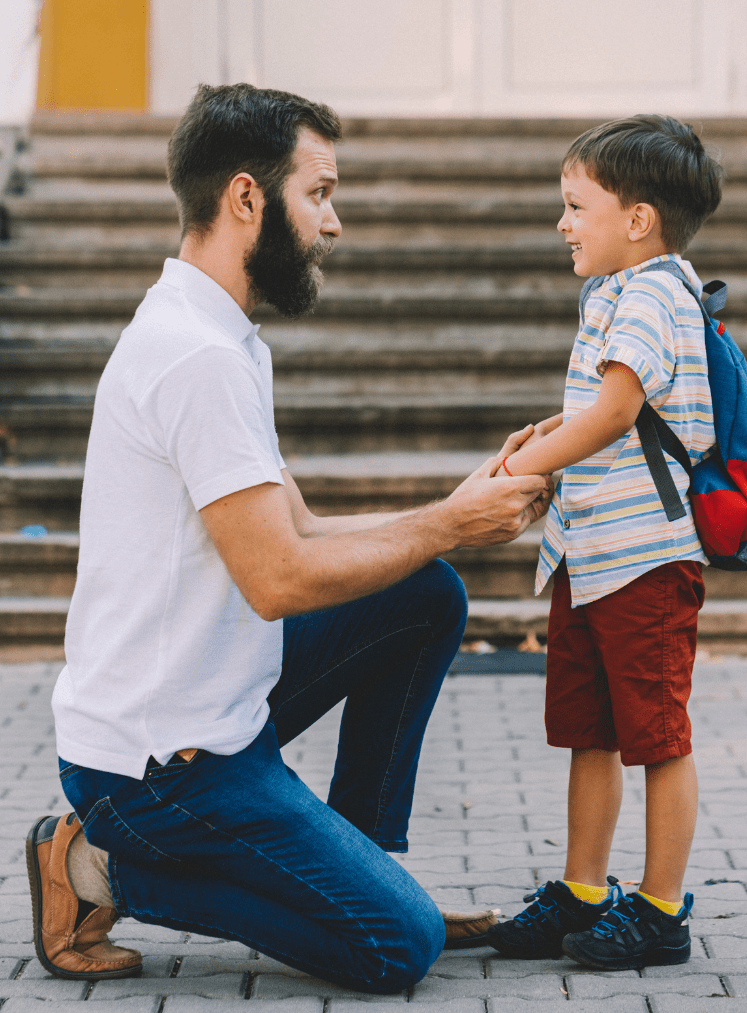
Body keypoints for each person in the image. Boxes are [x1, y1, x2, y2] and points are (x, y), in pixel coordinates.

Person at [25, 84, 552, 994]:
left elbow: (299, 529)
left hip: (213, 708)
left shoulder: (221, 337)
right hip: (156, 773)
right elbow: (279, 578)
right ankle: (96, 868)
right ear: (245, 198)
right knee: (397, 947)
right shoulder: (196, 357)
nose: (334, 222)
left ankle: (360, 861)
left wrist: (454, 512)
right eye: (319, 193)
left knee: (424, 593)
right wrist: (452, 523)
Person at [485, 115, 722, 971]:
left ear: (638, 218)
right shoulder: (613, 292)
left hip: (646, 560)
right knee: (591, 729)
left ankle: (660, 912)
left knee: (657, 735)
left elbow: (620, 412)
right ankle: (585, 890)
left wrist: (521, 474)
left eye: (575, 204)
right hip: (589, 554)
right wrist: (545, 433)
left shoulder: (659, 290)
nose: (563, 222)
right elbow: (605, 409)